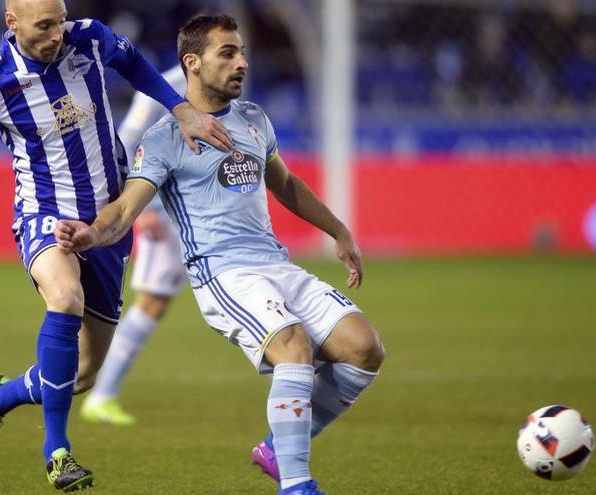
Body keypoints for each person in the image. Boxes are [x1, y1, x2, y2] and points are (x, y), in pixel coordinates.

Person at [0, 0, 232, 492]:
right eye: (45, 26)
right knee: (65, 298)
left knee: (83, 374)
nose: (58, 33)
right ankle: (58, 452)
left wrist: (182, 111)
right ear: (12, 24)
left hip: (108, 220)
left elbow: (135, 63)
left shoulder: (90, 37)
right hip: (44, 216)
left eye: (60, 20)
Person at [56, 14, 385, 495]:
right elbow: (125, 207)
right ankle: (296, 484)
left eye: (242, 52)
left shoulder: (254, 118)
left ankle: (278, 447)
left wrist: (338, 230)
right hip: (223, 275)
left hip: (276, 264)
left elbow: (286, 185)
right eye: (227, 53)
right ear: (192, 62)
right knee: (292, 346)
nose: (242, 63)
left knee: (364, 348)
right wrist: (91, 233)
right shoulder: (165, 137)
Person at [80, 64, 188, 426]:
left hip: (189, 207)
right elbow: (125, 141)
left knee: (158, 302)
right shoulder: (166, 86)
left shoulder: (217, 82)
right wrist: (143, 209)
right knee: (152, 302)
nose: (238, 60)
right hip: (165, 210)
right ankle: (101, 393)